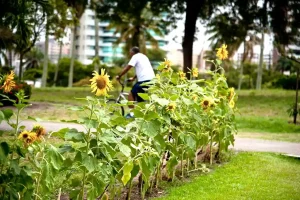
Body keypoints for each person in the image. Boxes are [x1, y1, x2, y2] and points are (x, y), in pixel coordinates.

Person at [116, 46, 155, 118]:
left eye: (130, 53)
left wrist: (119, 76)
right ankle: (142, 115)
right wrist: (133, 78)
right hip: (152, 79)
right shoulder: (144, 57)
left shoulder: (135, 56)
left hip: (144, 80)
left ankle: (131, 114)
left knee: (131, 94)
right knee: (141, 99)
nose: (130, 54)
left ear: (132, 52)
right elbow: (142, 69)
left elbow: (128, 67)